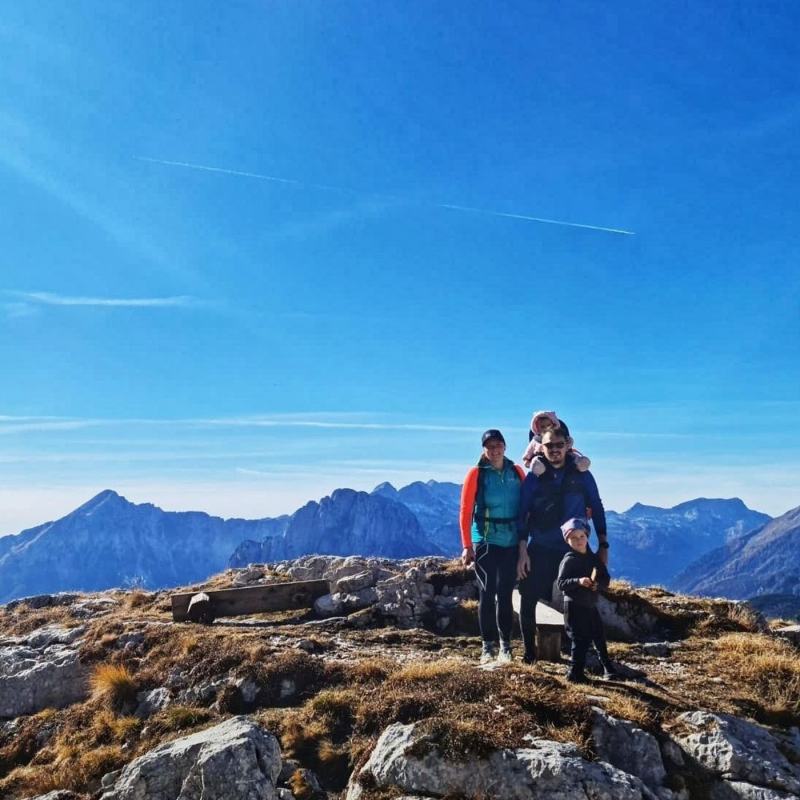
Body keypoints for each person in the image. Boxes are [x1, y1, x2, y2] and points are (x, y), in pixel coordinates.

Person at [516, 425, 608, 664]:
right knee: (528, 596)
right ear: (541, 447)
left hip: (574, 549)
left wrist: (604, 545)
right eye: (549, 445)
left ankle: (600, 657)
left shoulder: (582, 474)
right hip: (541, 546)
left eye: (559, 445)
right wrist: (522, 550)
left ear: (568, 444)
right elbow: (522, 512)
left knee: (587, 601)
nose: (555, 450)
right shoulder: (534, 477)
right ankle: (529, 653)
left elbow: (597, 508)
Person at [460, 429, 526, 664]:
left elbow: (527, 506)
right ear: (484, 450)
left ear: (505, 447)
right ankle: (487, 647)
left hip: (510, 540)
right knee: (487, 594)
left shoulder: (516, 471)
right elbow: (466, 511)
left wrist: (523, 544)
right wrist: (467, 545)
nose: (494, 449)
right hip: (486, 540)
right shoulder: (477, 473)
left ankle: (505, 647)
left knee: (506, 594)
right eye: (489, 446)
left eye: (498, 444)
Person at [556, 518, 617, 682]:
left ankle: (607, 667)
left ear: (587, 537)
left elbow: (606, 579)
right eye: (574, 538)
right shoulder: (569, 559)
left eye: (581, 536)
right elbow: (561, 584)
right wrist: (578, 581)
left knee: (598, 634)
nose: (579, 541)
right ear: (567, 540)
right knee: (580, 639)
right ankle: (575, 672)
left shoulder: (594, 559)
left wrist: (598, 585)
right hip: (574, 606)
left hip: (590, 604)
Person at [521, 411, 591, 475]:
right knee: (536, 459)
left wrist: (568, 442)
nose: (554, 449)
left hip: (566, 460)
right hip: (542, 460)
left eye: (559, 445)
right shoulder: (536, 441)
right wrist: (527, 460)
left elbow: (569, 443)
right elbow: (528, 452)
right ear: (537, 428)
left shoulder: (561, 436)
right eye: (548, 445)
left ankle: (581, 463)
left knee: (572, 455)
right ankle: (538, 468)